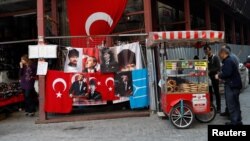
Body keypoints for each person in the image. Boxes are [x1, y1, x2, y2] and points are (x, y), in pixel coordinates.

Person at [215, 48, 242, 125]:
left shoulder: (228, 61)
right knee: (236, 104)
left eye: (220, 54)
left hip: (232, 85)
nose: (219, 56)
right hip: (234, 84)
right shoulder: (229, 60)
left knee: (232, 105)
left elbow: (227, 73)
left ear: (223, 53)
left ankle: (234, 122)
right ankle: (237, 121)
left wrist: (219, 75)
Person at [220, 45, 240, 117]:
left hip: (232, 83)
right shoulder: (229, 58)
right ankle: (230, 114)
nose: (221, 53)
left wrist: (220, 75)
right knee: (231, 101)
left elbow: (228, 72)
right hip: (232, 82)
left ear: (226, 51)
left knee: (233, 102)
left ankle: (234, 119)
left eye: (222, 50)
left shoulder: (231, 58)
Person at [203, 45, 221, 113]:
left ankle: (218, 108)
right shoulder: (205, 58)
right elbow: (202, 66)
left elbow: (218, 68)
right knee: (209, 93)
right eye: (205, 51)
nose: (206, 52)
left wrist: (210, 70)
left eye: (207, 51)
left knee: (216, 93)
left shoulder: (215, 57)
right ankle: (211, 106)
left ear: (210, 50)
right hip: (207, 78)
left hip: (215, 77)